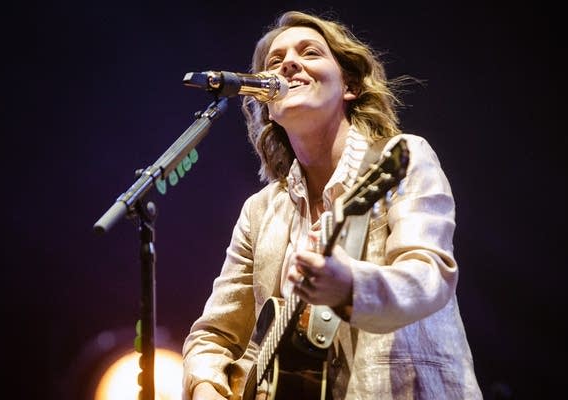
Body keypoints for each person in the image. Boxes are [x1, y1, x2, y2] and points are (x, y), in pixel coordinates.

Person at [182, 10, 483, 400]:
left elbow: (429, 277)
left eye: (309, 52)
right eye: (276, 60)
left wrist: (349, 286)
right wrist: (206, 384)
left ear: (349, 85)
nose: (289, 63)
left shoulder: (403, 158)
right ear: (267, 103)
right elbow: (213, 336)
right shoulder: (259, 212)